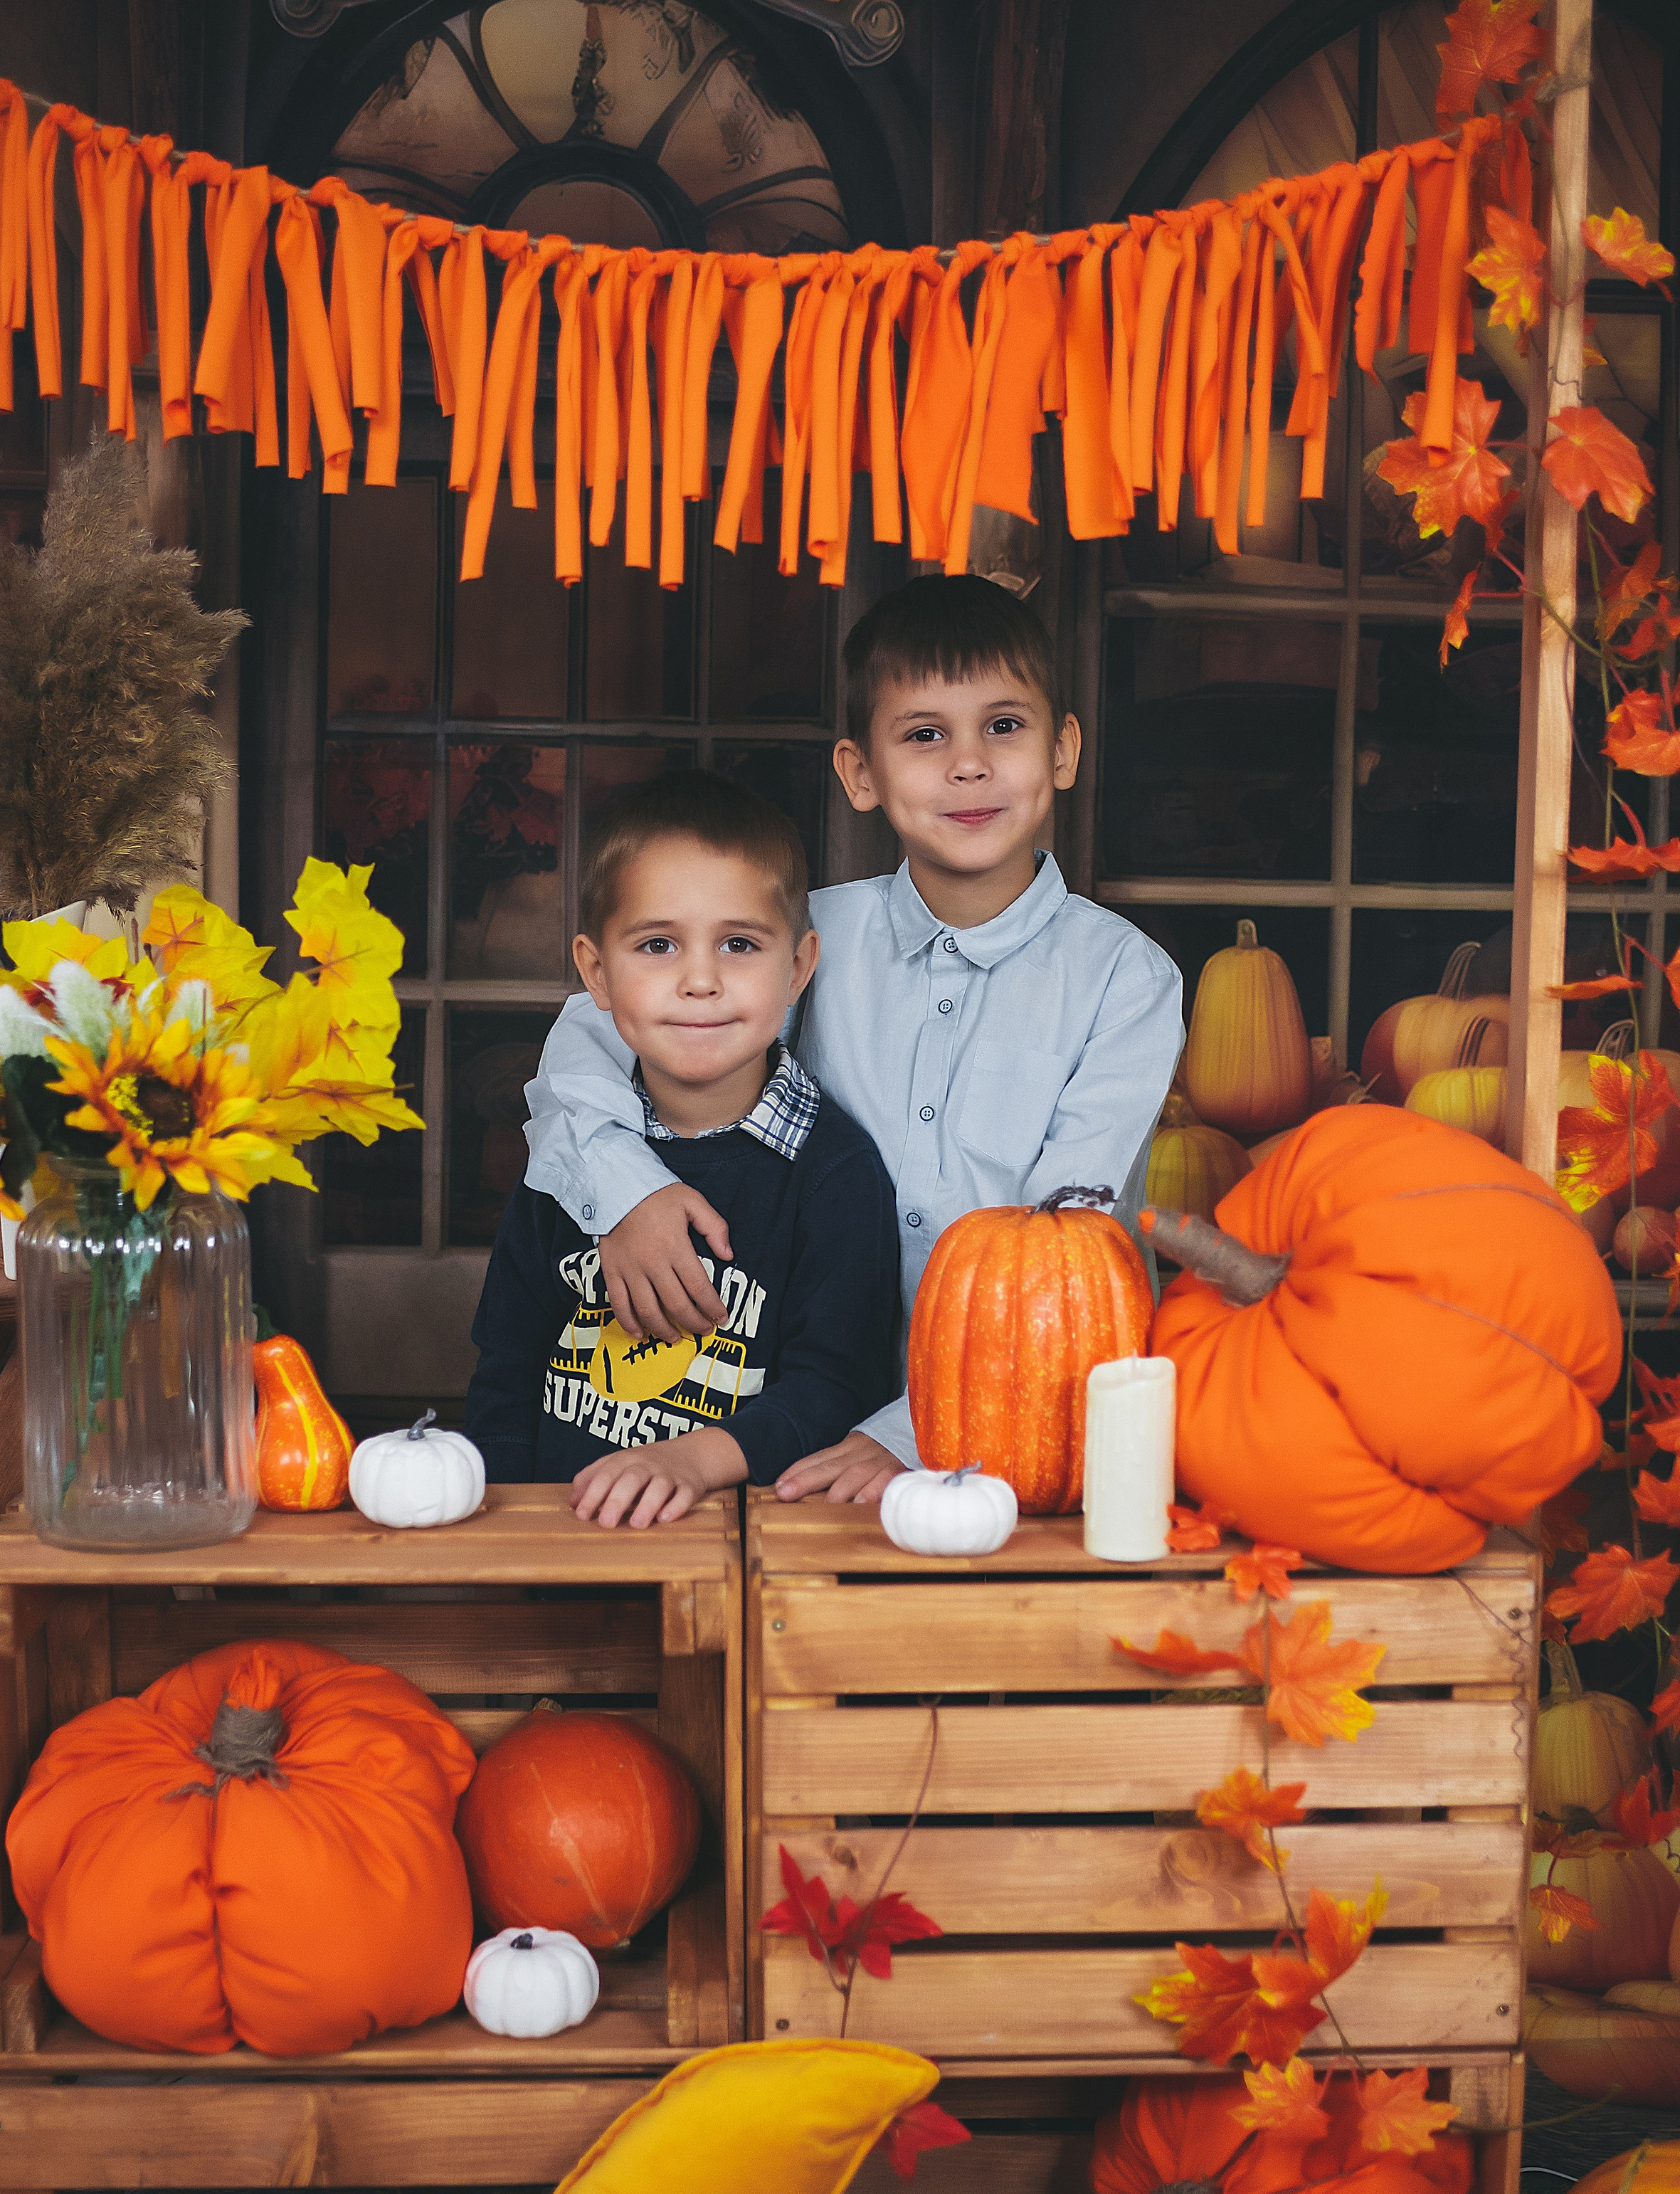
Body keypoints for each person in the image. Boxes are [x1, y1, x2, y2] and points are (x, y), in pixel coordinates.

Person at [522, 576, 1185, 1505]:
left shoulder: (1126, 977)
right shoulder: (801, 943)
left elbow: (1057, 1249)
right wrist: (624, 1189)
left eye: (1003, 726)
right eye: (924, 734)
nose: (968, 765)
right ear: (860, 773)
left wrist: (907, 1432)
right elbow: (589, 1031)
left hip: (1035, 1427)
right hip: (796, 1415)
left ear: (1063, 748)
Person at [463, 772, 901, 1528]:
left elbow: (833, 1386)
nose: (700, 980)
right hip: (561, 1545)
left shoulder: (834, 1174)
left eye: (739, 944)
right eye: (658, 945)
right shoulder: (571, 1160)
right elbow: (506, 1366)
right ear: (596, 973)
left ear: (797, 968)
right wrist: (503, 1535)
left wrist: (692, 1461)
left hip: (743, 1557)